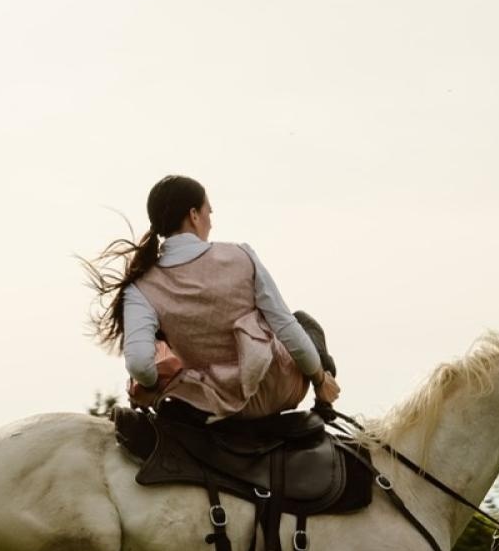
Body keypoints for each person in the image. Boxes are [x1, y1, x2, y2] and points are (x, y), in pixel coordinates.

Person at [87, 175, 341, 423]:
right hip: (272, 391)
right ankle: (325, 398)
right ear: (193, 215)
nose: (210, 221)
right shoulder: (241, 256)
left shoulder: (140, 288)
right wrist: (319, 379)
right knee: (302, 321)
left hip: (204, 402)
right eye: (209, 212)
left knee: (163, 351)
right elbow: (286, 328)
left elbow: (140, 363)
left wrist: (152, 386)